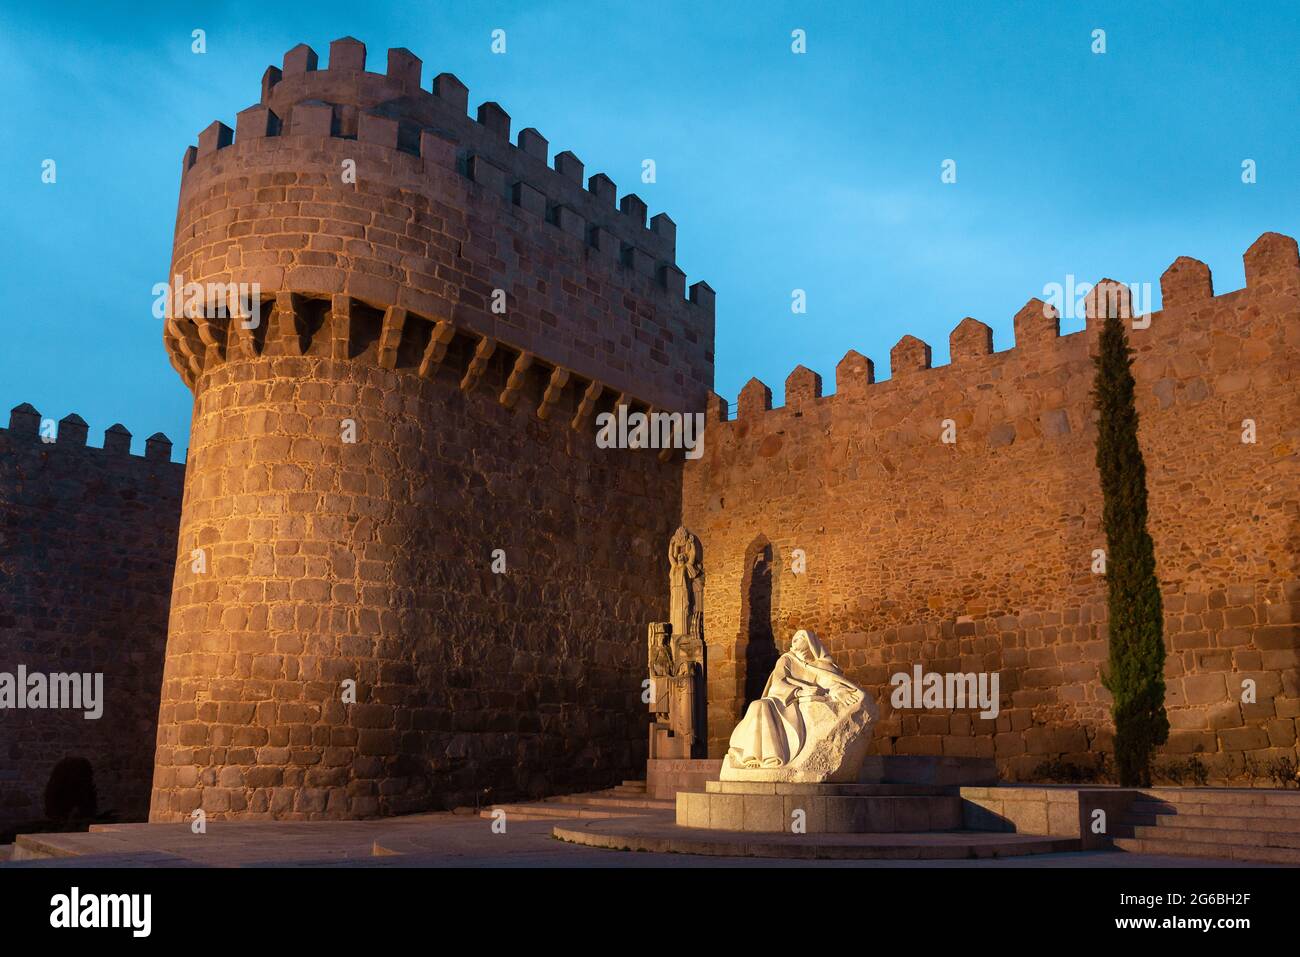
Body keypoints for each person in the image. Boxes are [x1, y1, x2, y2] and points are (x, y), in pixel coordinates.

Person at [726, 630, 864, 769]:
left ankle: (772, 758)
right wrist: (798, 692)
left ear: (810, 642)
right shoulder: (786, 660)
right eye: (794, 638)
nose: (794, 641)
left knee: (762, 706)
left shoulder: (821, 665)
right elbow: (778, 682)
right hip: (781, 699)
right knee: (758, 705)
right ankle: (753, 756)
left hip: (792, 706)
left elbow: (830, 683)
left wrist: (839, 691)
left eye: (799, 638)